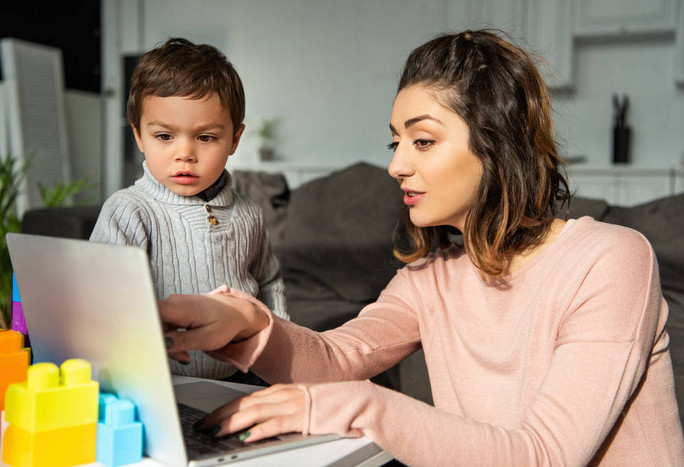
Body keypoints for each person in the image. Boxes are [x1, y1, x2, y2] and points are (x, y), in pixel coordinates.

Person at [158, 30, 684, 465]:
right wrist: (244, 323)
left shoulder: (611, 260)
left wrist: (363, 406)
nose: (396, 166)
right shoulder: (432, 275)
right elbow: (339, 357)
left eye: (423, 141)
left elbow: (544, 455)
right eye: (396, 142)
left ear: (497, 143)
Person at [90, 38, 288, 382]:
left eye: (206, 137)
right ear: (139, 136)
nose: (185, 153)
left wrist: (282, 358)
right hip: (159, 380)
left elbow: (270, 284)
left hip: (242, 376)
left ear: (234, 140)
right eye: (165, 136)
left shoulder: (249, 214)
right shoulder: (129, 211)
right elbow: (100, 300)